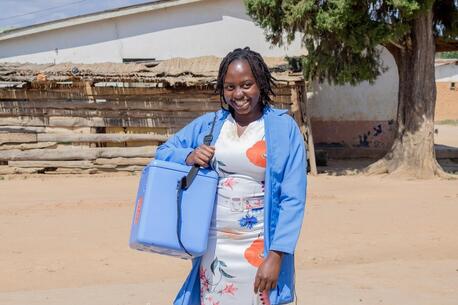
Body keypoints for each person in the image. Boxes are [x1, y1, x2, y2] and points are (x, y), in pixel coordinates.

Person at [155, 47, 307, 305]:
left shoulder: (282, 128)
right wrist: (190, 155)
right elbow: (163, 151)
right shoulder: (212, 124)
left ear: (260, 83)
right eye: (230, 87)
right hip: (216, 246)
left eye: (246, 84)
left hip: (260, 244)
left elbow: (292, 198)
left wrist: (277, 255)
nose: (238, 94)